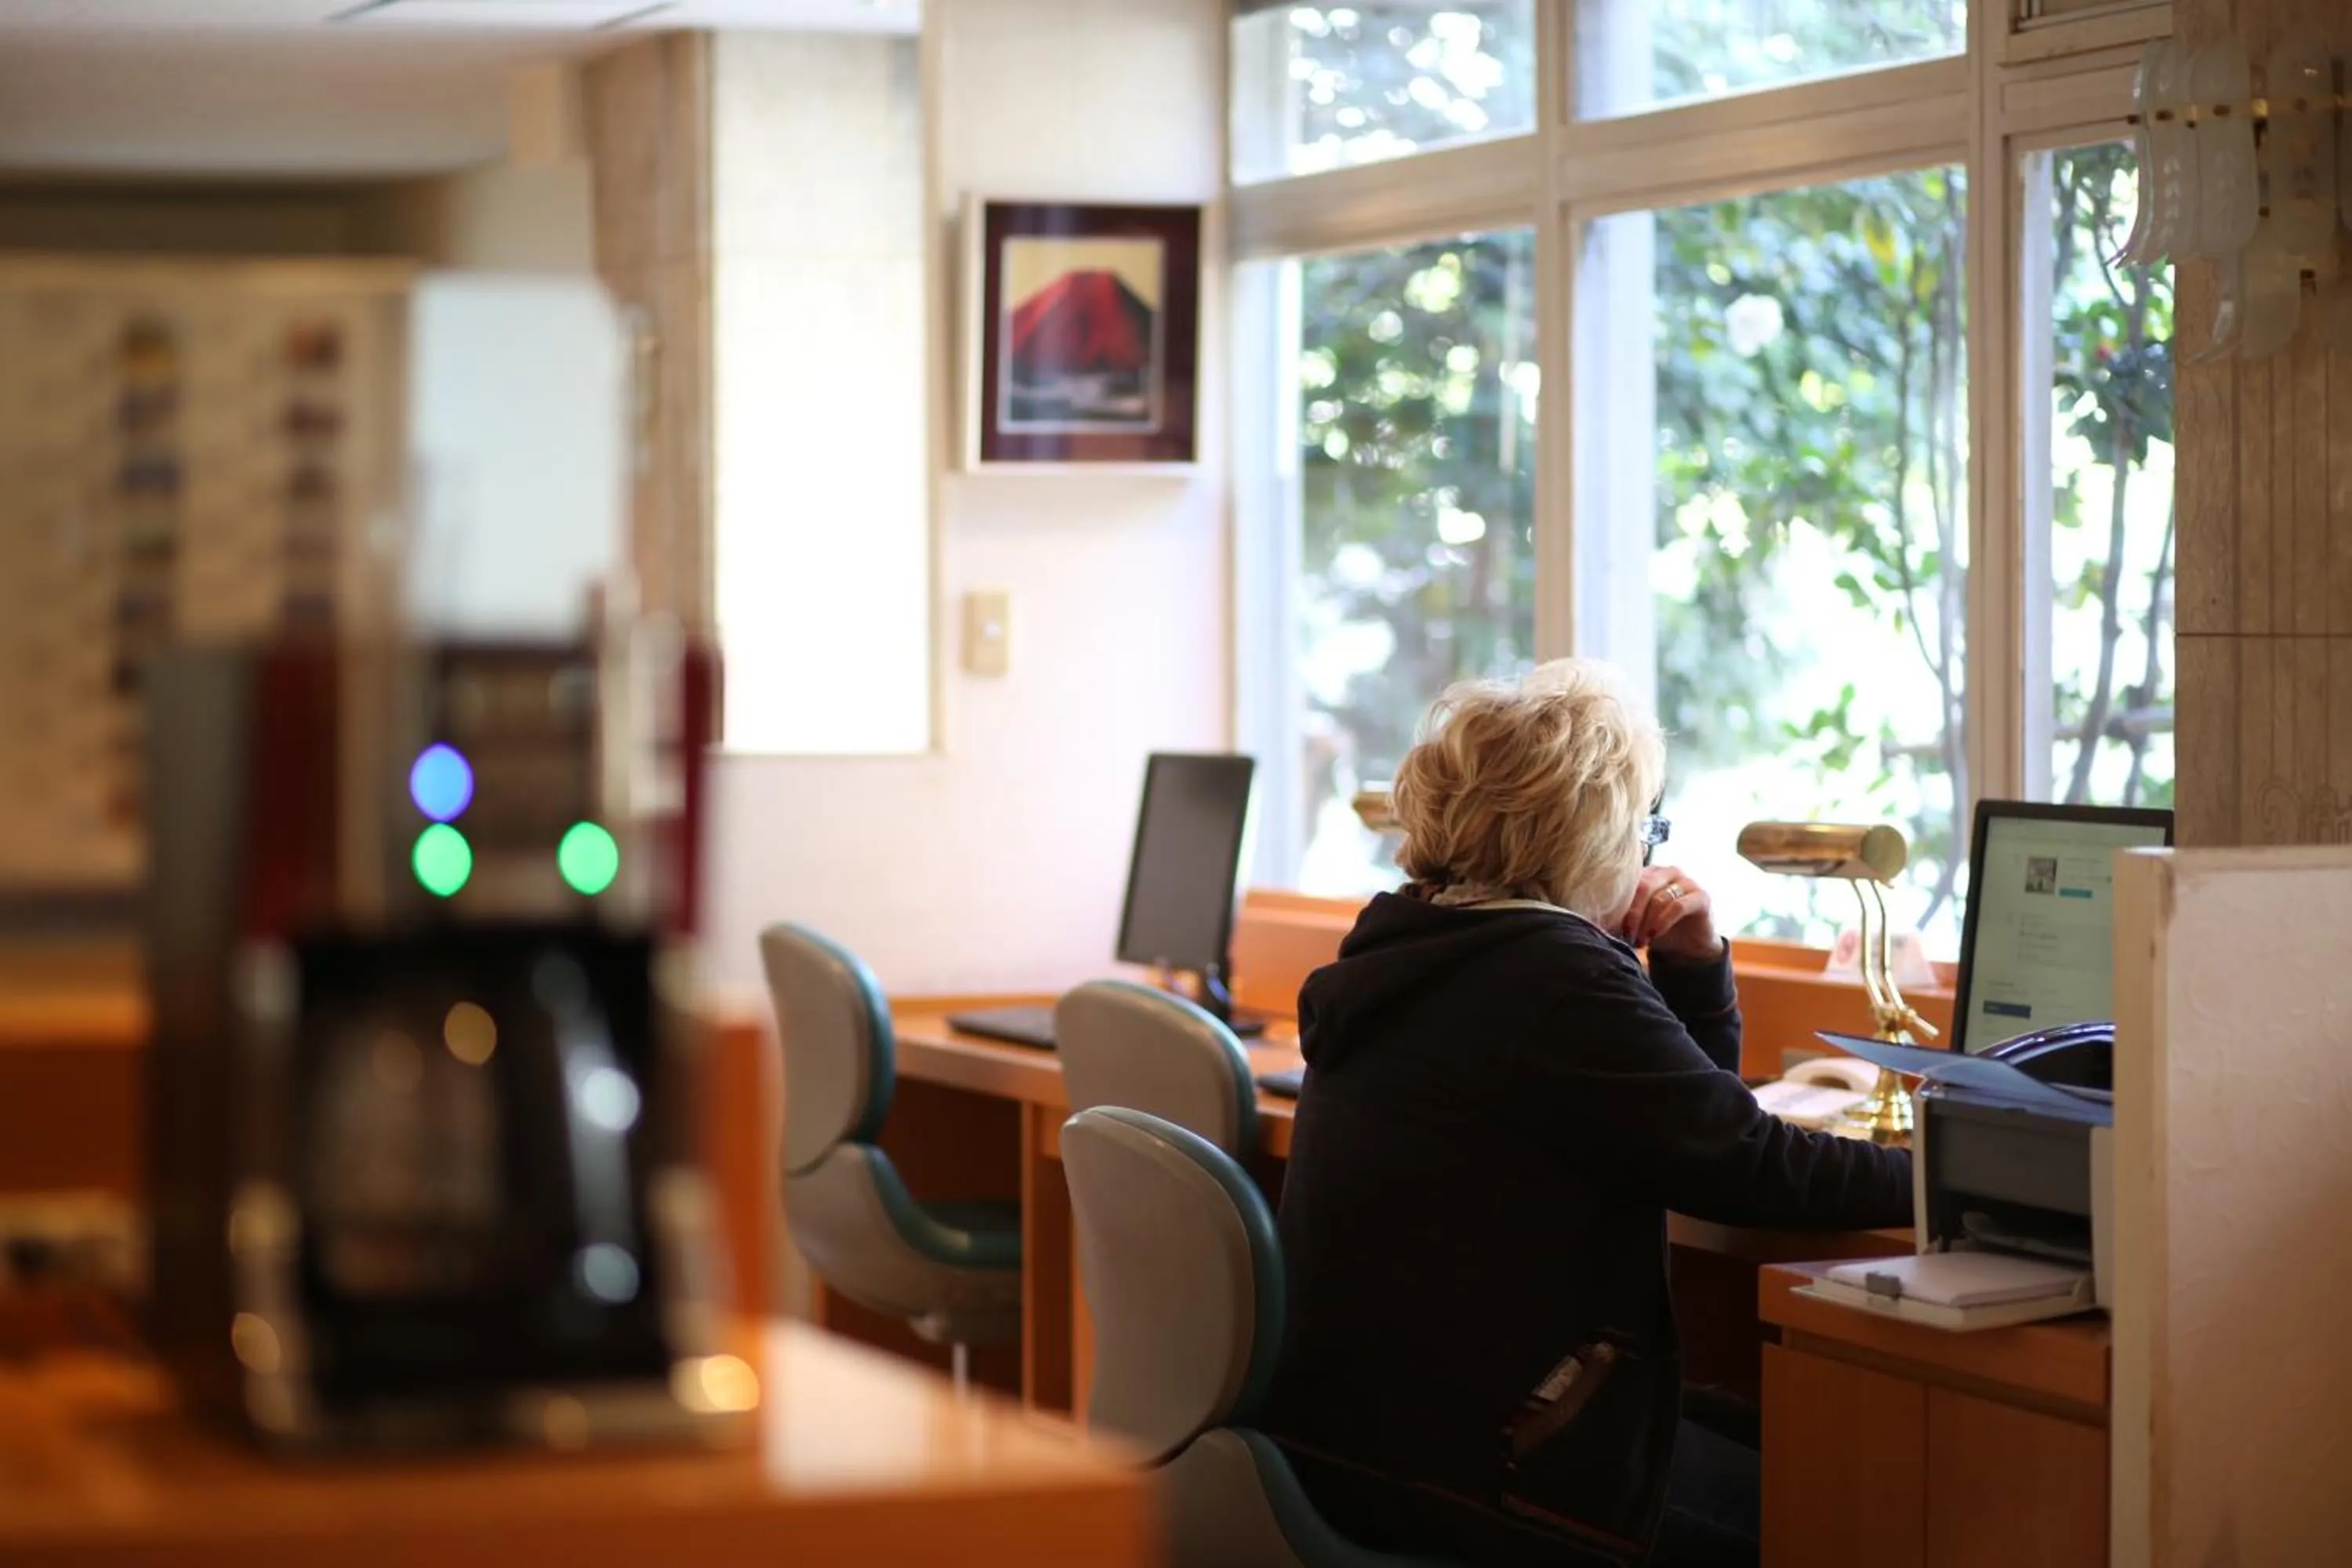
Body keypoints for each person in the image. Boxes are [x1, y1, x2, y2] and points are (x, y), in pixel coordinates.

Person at [1261, 659, 1915, 1567]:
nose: (1647, 850)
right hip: (1485, 1472)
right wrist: (1952, 1176)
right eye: (1645, 824)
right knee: (1853, 1516)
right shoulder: (1552, 973)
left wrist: (1692, 966)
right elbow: (1747, 1165)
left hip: (1365, 1444)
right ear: (1592, 831)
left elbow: (1686, 1128)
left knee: (1776, 1427)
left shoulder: (1409, 940)